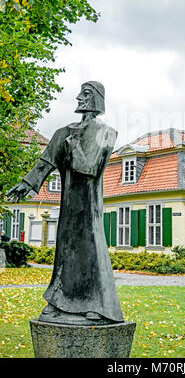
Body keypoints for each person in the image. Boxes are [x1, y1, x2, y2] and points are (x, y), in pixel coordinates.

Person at [6, 81, 124, 325]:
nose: (79, 97)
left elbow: (88, 167)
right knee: (66, 252)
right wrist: (26, 183)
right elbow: (46, 161)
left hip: (89, 204)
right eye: (81, 92)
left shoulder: (105, 132)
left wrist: (72, 143)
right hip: (69, 203)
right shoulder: (63, 131)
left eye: (86, 93)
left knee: (90, 250)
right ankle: (59, 301)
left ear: (97, 100)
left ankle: (96, 304)